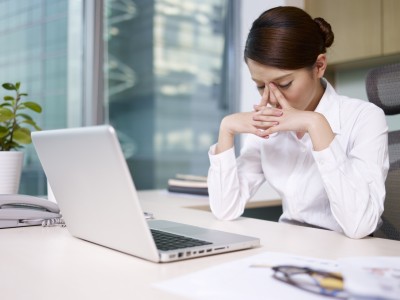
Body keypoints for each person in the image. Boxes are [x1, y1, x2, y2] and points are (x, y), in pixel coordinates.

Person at [207, 6, 389, 239]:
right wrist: (226, 129)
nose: (271, 98)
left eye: (284, 84)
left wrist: (316, 124)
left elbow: (360, 226)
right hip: (290, 247)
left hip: (349, 254)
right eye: (260, 86)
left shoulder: (364, 118)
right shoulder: (268, 123)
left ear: (319, 66)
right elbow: (225, 209)